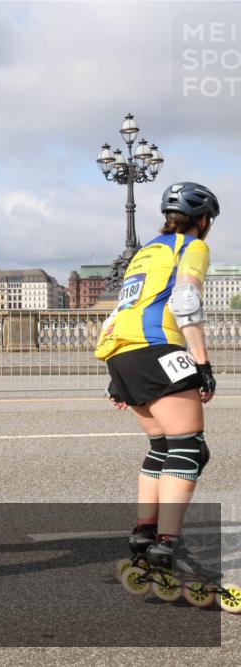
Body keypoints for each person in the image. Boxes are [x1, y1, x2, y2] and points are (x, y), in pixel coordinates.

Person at [95, 182, 225, 595]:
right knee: (188, 448)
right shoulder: (192, 246)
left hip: (121, 352)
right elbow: (186, 299)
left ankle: (144, 537)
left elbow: (121, 307)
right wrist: (202, 363)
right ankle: (166, 546)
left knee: (162, 449)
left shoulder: (146, 250)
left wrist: (116, 377)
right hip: (158, 347)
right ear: (203, 220)